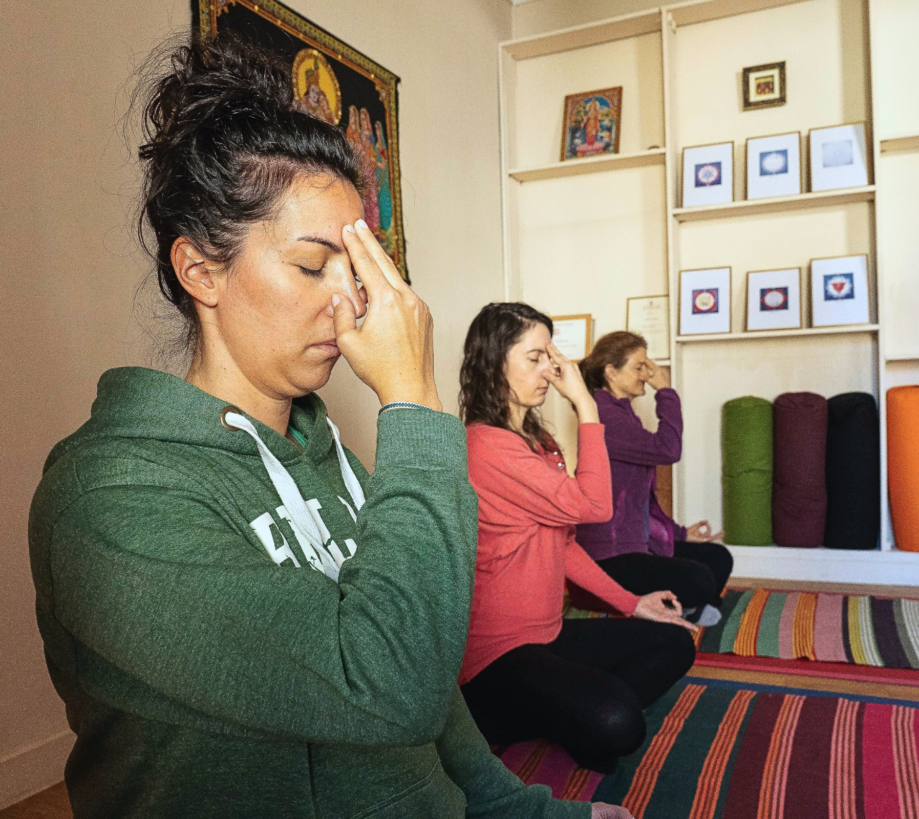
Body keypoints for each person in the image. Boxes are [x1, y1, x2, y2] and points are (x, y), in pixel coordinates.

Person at [28, 35, 628, 819]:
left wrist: (535, 810)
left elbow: (432, 692)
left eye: (357, 270)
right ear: (200, 270)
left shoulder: (329, 454)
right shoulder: (106, 496)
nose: (347, 302)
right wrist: (413, 402)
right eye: (314, 266)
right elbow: (388, 686)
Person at [457, 303, 697, 775]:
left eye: (551, 355)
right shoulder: (486, 445)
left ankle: (560, 712)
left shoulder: (536, 440)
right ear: (493, 363)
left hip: (549, 632)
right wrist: (586, 405)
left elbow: (563, 544)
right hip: (498, 656)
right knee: (619, 725)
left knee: (674, 644)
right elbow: (594, 508)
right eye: (534, 357)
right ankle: (510, 716)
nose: (550, 368)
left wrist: (632, 604)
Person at [575, 332, 733, 628]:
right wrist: (665, 391)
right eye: (639, 366)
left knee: (718, 557)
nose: (647, 375)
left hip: (635, 545)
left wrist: (681, 534)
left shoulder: (623, 414)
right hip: (607, 558)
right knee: (699, 578)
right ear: (611, 372)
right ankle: (681, 608)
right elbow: (668, 449)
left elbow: (642, 502)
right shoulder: (603, 415)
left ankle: (684, 608)